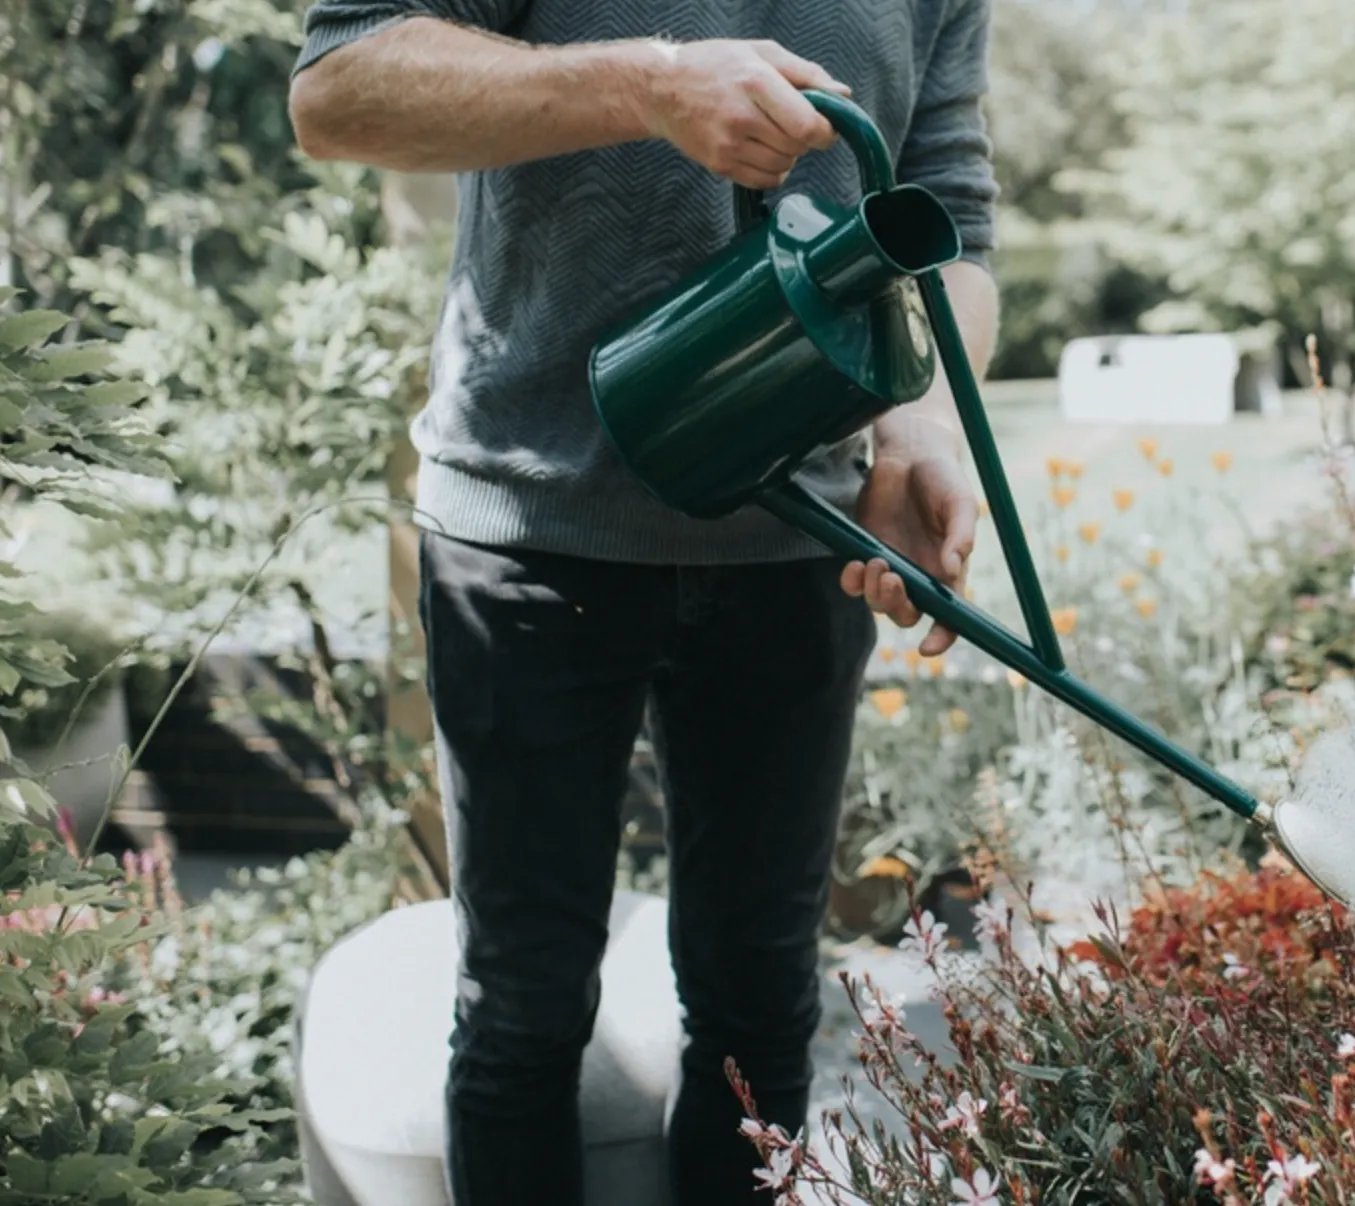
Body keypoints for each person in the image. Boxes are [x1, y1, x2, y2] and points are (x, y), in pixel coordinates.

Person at [286, 3, 998, 1202]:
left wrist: (917, 425)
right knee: (519, 1011)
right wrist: (649, 87)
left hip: (798, 540)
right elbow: (340, 90)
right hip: (528, 524)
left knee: (761, 1018)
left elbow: (947, 207)